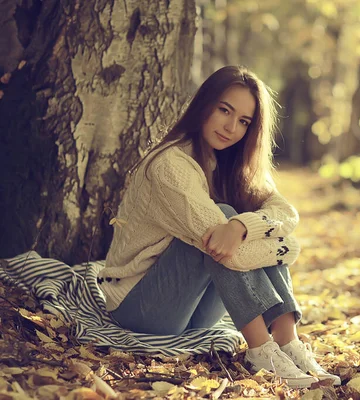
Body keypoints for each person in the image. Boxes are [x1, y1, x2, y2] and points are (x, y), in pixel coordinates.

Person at [96, 65, 341, 389]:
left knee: (243, 219)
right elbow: (226, 250)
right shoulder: (170, 164)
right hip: (140, 308)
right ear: (204, 104)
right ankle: (260, 349)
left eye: (243, 121)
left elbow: (285, 211)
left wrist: (243, 224)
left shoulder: (227, 163)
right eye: (224, 110)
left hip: (194, 312)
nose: (231, 127)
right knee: (224, 222)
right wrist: (287, 247)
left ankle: (287, 341)